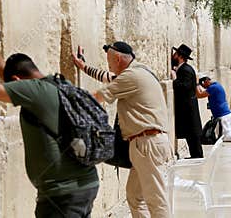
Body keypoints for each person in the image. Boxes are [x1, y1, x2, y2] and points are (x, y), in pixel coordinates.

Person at [0, 14, 99, 218]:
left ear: (18, 80)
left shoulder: (34, 92)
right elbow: (7, 73)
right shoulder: (57, 86)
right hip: (86, 184)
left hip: (62, 194)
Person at [72, 42, 174, 218]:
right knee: (135, 197)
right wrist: (83, 67)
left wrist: (65, 102)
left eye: (110, 62)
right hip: (146, 144)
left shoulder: (130, 77)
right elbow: (108, 77)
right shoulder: (139, 71)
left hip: (146, 145)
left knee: (156, 200)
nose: (109, 66)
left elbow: (98, 96)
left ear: (118, 59)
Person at [170, 44, 203, 158]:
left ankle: (197, 156)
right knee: (190, 133)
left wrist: (174, 79)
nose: (173, 56)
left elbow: (185, 87)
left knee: (193, 133)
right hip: (187, 107)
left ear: (179, 56)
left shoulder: (186, 70)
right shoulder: (183, 69)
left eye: (175, 54)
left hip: (188, 108)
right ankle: (195, 155)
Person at [196, 76, 231, 142]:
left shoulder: (213, 87)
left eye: (203, 85)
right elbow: (202, 92)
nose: (204, 87)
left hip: (223, 116)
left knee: (227, 136)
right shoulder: (216, 86)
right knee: (223, 136)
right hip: (224, 116)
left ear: (207, 81)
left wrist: (196, 83)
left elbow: (199, 95)